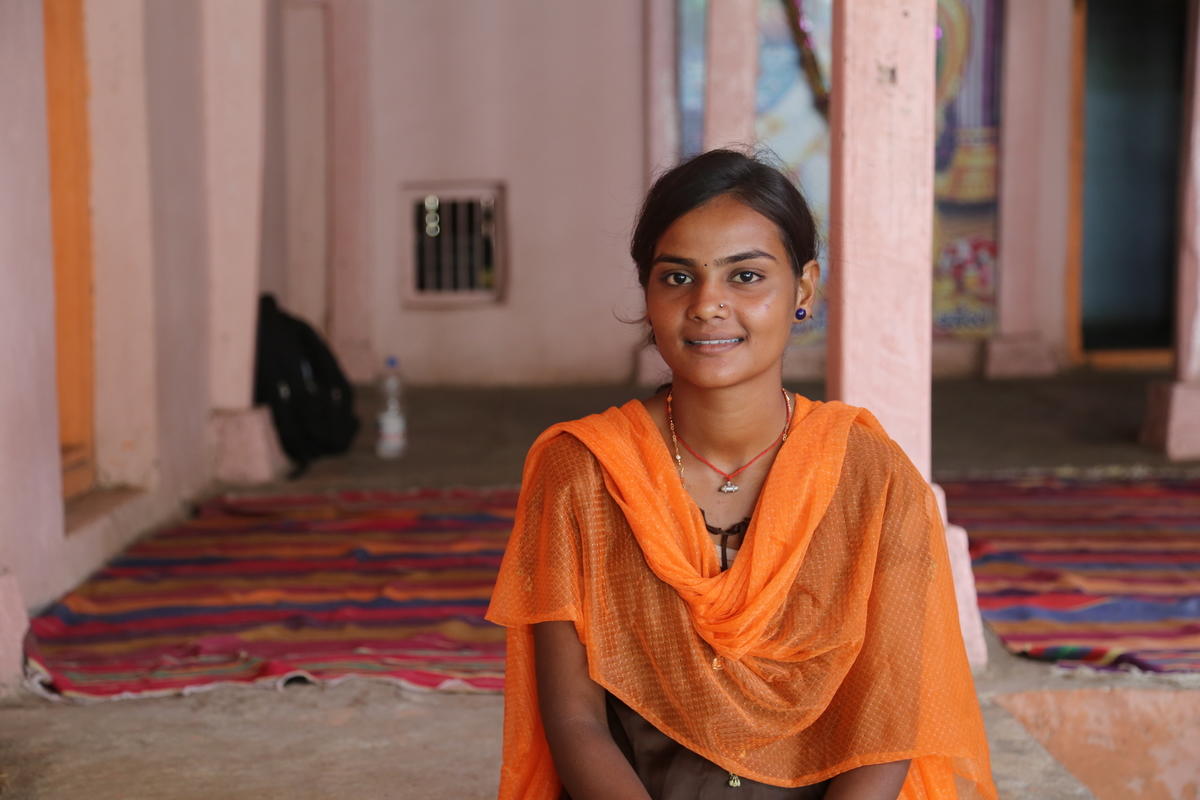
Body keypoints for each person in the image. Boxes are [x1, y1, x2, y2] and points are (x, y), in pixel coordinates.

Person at [486, 149, 996, 799]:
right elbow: (574, 720)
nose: (708, 305)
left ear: (803, 289)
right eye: (677, 278)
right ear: (647, 292)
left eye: (746, 277)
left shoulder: (873, 477)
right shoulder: (584, 474)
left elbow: (888, 723)